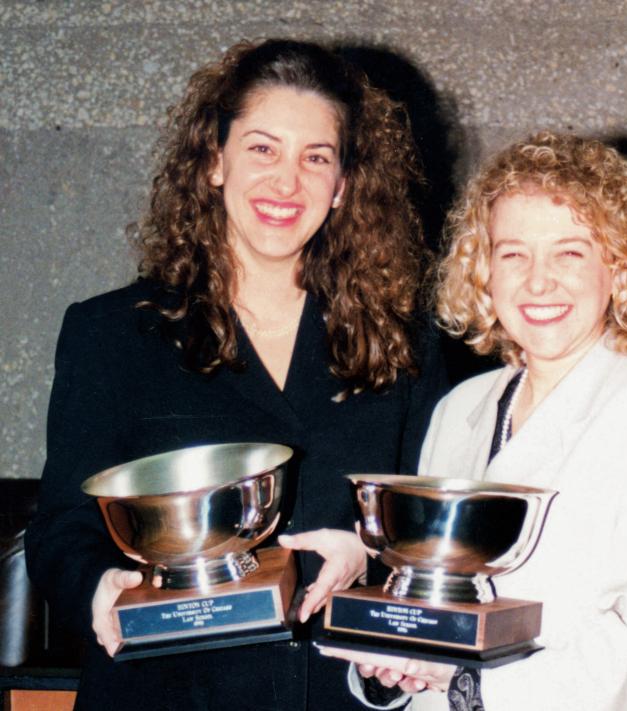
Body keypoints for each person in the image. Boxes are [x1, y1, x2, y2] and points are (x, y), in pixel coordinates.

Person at [25, 39, 447, 710]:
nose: (288, 182)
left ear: (342, 187)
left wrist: (371, 557)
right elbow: (62, 525)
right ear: (214, 161)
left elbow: (429, 533)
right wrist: (96, 585)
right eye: (262, 149)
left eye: (316, 158)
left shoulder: (409, 343)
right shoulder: (113, 333)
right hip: (163, 693)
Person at [326, 131, 627, 710]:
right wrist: (387, 670)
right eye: (512, 253)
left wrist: (478, 691)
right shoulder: (458, 409)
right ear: (482, 271)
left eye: (570, 252)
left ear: (620, 268)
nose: (538, 280)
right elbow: (427, 599)